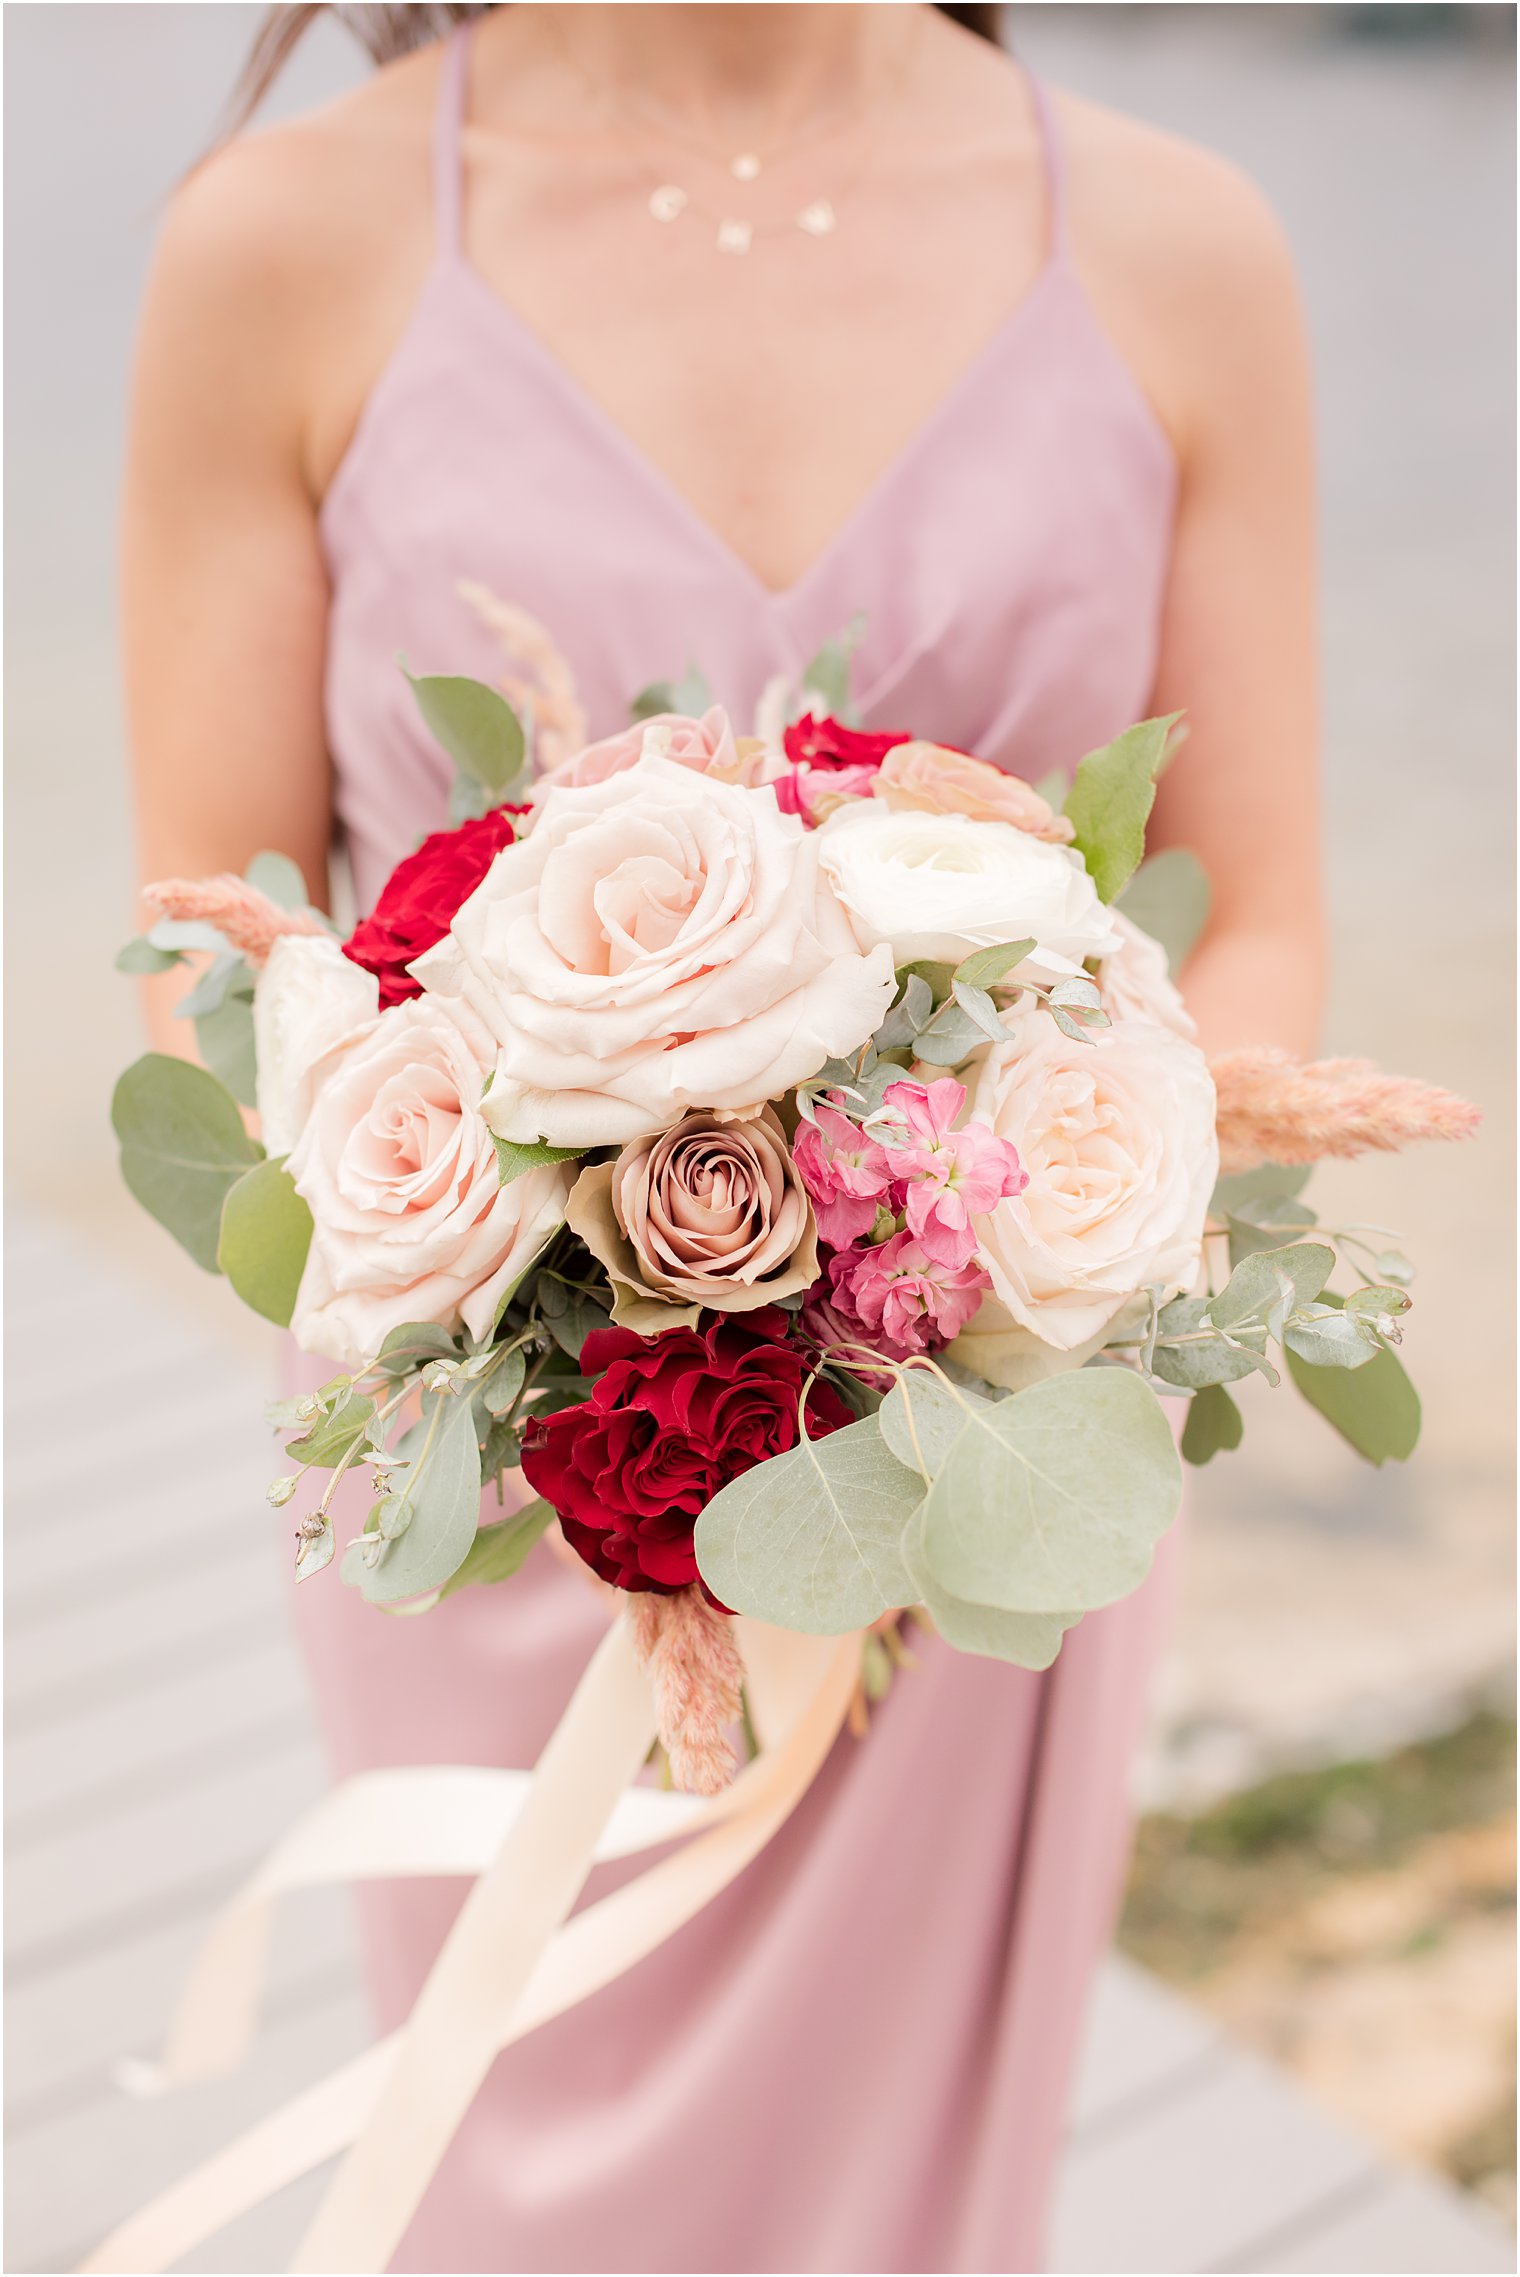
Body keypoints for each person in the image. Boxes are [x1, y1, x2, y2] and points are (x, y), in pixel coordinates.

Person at [123, 7, 1324, 2268]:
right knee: (507, 2162)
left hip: (980, 1433)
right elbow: (220, 935)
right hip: (496, 1447)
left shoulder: (1182, 247)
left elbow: (1256, 916)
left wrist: (988, 1218)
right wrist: (550, 1210)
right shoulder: (280, 240)